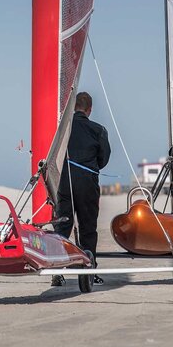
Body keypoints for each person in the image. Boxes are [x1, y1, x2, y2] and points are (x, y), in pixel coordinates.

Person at [54, 92, 111, 286]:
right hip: (87, 181)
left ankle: (56, 272)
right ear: (89, 110)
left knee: (62, 226)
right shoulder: (98, 130)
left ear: (73, 107)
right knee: (88, 227)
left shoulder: (63, 129)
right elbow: (103, 160)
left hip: (64, 180)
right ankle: (89, 271)